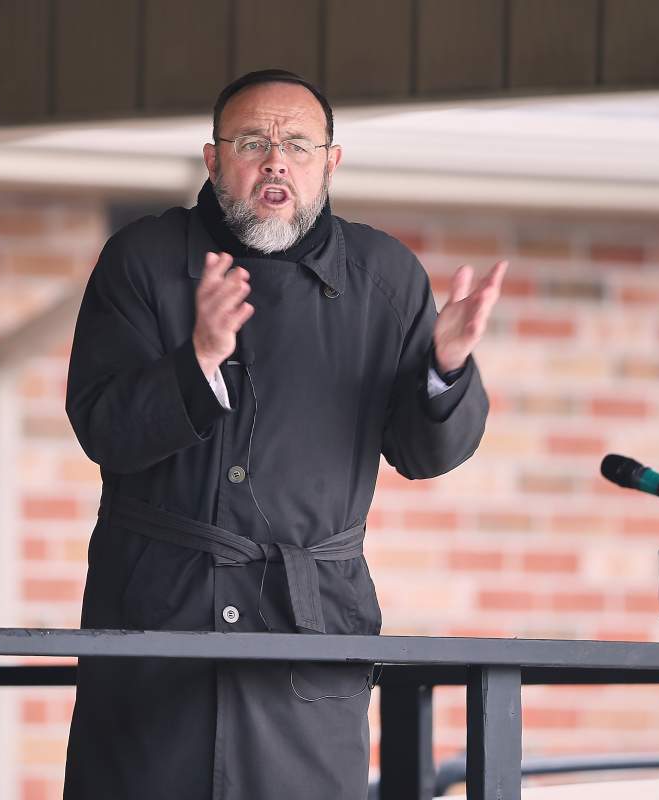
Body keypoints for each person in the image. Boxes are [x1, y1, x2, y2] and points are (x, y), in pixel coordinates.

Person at [63, 69, 506, 799]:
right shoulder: (143, 259)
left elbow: (426, 453)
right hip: (159, 619)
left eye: (298, 145)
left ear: (330, 163)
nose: (276, 162)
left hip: (308, 632)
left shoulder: (384, 277)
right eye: (252, 143)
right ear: (213, 160)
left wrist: (446, 367)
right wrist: (197, 362)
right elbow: (104, 428)